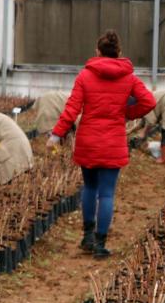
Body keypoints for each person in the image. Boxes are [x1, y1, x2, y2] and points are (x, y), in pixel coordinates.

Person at [47, 30, 156, 257]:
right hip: (113, 141)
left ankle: (86, 236)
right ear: (119, 53)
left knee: (89, 187)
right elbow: (149, 101)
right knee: (106, 194)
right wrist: (127, 113)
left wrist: (56, 135)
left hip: (88, 139)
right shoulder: (129, 78)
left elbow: (72, 109)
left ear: (97, 51)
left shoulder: (85, 76)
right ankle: (100, 243)